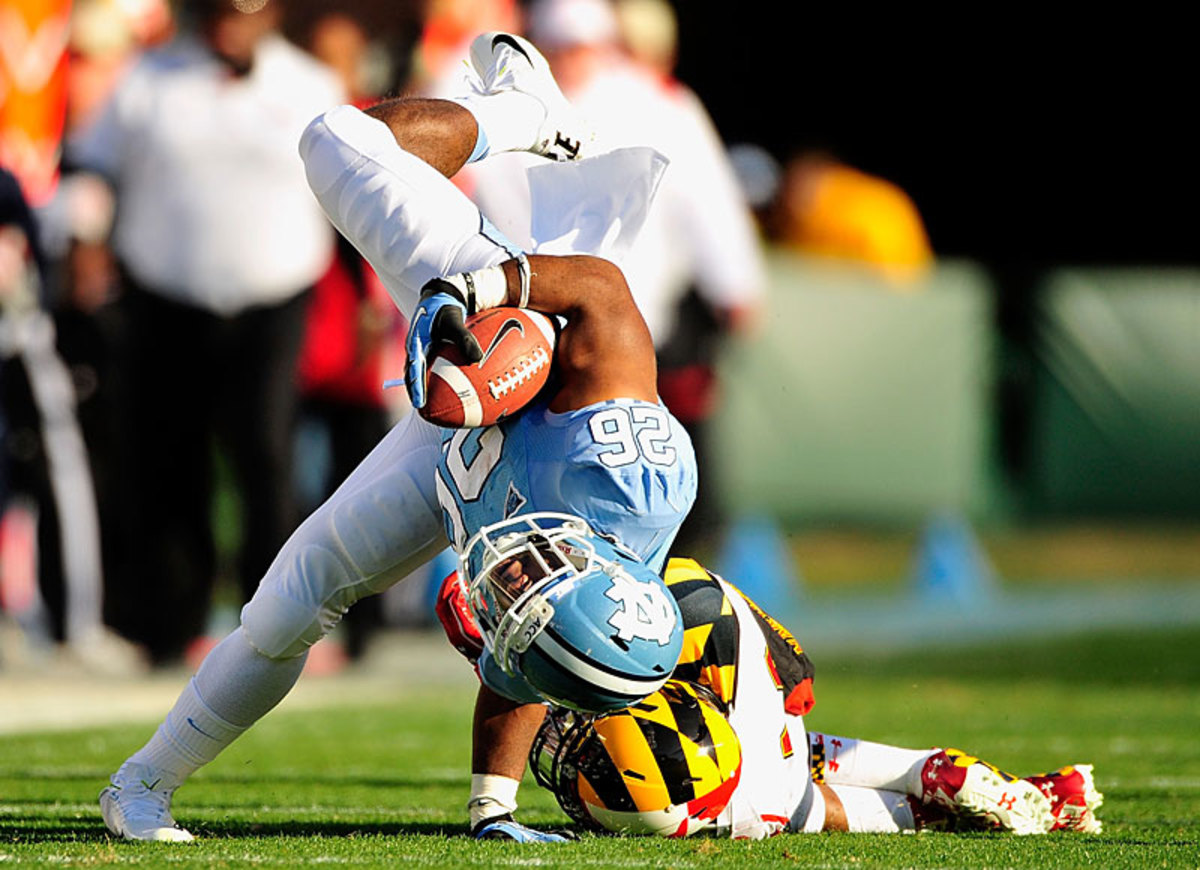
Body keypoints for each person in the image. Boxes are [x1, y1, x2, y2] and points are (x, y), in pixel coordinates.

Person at [97, 31, 695, 842]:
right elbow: (603, 290)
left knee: (291, 600)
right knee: (334, 140)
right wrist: (474, 287)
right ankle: (516, 115)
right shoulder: (629, 477)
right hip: (512, 337)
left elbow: (527, 652)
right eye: (527, 584)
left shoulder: (571, 602)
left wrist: (493, 810)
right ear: (590, 560)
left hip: (467, 457)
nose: (505, 585)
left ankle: (140, 786)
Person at [440, 545, 1104, 839]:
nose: (568, 748)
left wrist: (497, 650)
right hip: (704, 633)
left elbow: (672, 617)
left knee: (779, 800)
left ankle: (935, 794)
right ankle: (954, 779)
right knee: (784, 773)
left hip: (718, 640)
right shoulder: (608, 606)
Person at [67, 0, 344, 665]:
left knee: (267, 456)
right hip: (167, 296)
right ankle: (170, 625)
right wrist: (84, 241)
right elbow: (91, 170)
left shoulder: (310, 85)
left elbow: (353, 189)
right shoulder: (148, 79)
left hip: (276, 296)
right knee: (170, 461)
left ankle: (282, 626)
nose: (230, 22)